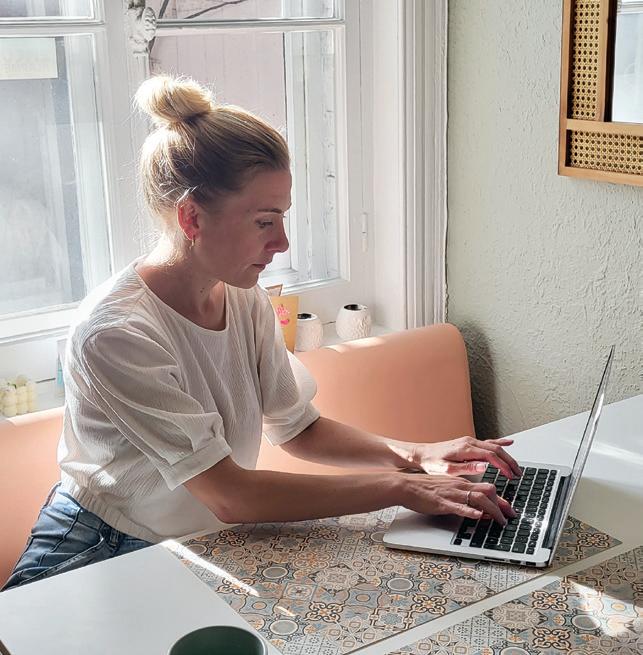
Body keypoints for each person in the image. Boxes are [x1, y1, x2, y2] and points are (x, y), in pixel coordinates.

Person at [3, 76, 519, 591]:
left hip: (192, 543)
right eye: (264, 221)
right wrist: (402, 489)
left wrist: (417, 455)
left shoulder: (243, 296)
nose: (283, 242)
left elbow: (298, 429)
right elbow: (232, 495)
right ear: (191, 218)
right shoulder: (117, 335)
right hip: (98, 546)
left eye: (282, 218)